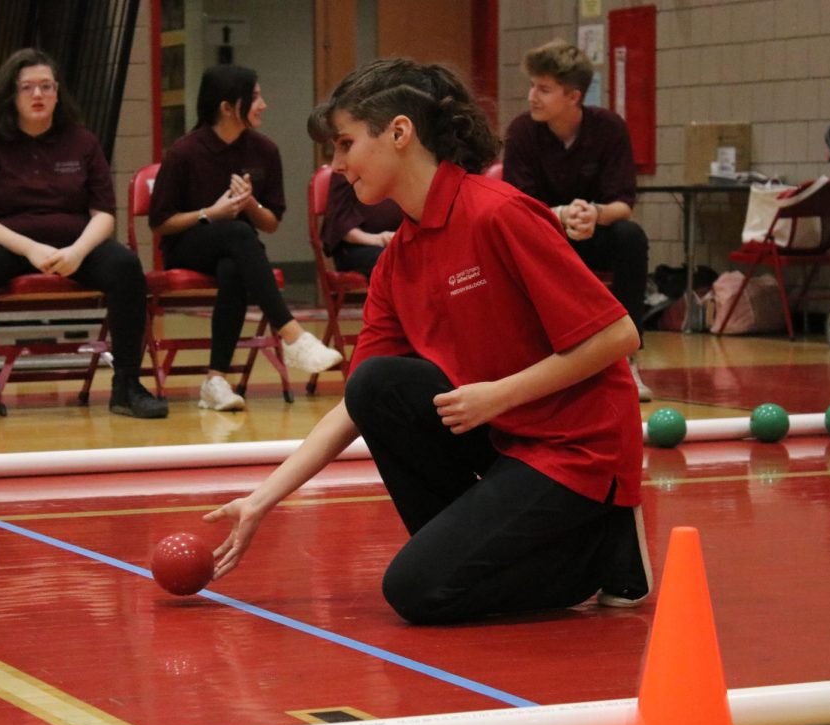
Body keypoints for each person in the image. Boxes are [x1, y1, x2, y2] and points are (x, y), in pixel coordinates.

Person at [202, 59, 651, 625]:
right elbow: (355, 405)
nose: (337, 166)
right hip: (510, 438)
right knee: (378, 384)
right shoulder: (396, 260)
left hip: (579, 449)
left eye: (344, 144)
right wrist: (261, 501)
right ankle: (489, 546)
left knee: (415, 592)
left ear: (398, 132)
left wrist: (498, 396)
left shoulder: (499, 213)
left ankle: (603, 549)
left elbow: (619, 334)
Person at [0, 48, 166, 420]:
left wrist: (79, 252)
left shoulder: (82, 141)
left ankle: (127, 385)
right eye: (27, 87)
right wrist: (31, 249)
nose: (38, 95)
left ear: (58, 92)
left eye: (46, 86)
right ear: (11, 94)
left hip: (76, 245)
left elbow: (103, 215)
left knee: (126, 265)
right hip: (12, 245)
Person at [149, 64, 342, 413]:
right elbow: (161, 222)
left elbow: (270, 224)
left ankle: (215, 381)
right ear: (226, 107)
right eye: (254, 97)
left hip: (238, 249)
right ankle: (292, 335)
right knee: (238, 234)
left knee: (234, 266)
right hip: (187, 246)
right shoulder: (184, 152)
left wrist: (250, 203)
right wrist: (210, 213)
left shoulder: (264, 150)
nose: (263, 104)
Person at [502, 39, 653, 401]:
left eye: (544, 89)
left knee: (630, 236)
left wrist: (594, 214)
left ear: (573, 96)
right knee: (512, 246)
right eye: (532, 86)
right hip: (541, 236)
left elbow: (623, 204)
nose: (531, 96)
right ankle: (532, 363)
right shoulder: (522, 131)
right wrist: (559, 215)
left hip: (591, 232)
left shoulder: (609, 128)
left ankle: (627, 356)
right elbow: (514, 205)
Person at [320, 170, 402, 283]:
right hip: (356, 247)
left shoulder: (401, 166)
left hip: (398, 242)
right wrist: (379, 239)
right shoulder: (346, 166)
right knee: (396, 260)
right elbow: (340, 223)